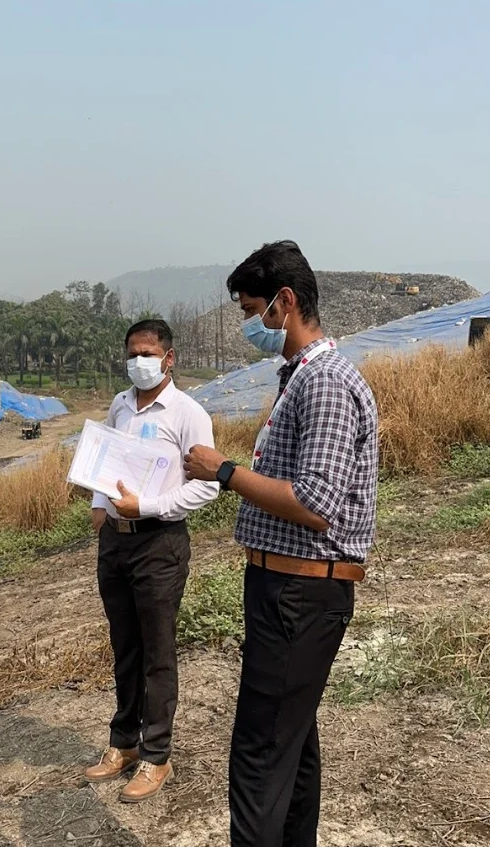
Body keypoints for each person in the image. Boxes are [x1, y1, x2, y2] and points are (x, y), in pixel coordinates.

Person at [183, 241, 378, 847]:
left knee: (261, 753)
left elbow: (316, 503)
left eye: (252, 310)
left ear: (285, 302)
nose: (250, 325)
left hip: (300, 592)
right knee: (291, 745)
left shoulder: (325, 382)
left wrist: (224, 471)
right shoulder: (301, 378)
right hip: (289, 587)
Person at [85, 319, 218, 802]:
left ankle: (157, 754)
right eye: (132, 354)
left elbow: (206, 486)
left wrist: (149, 507)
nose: (139, 362)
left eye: (148, 354)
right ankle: (124, 742)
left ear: (169, 358)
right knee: (125, 646)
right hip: (115, 543)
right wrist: (99, 505)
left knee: (157, 652)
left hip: (159, 544)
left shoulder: (188, 414)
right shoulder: (120, 404)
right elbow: (106, 460)